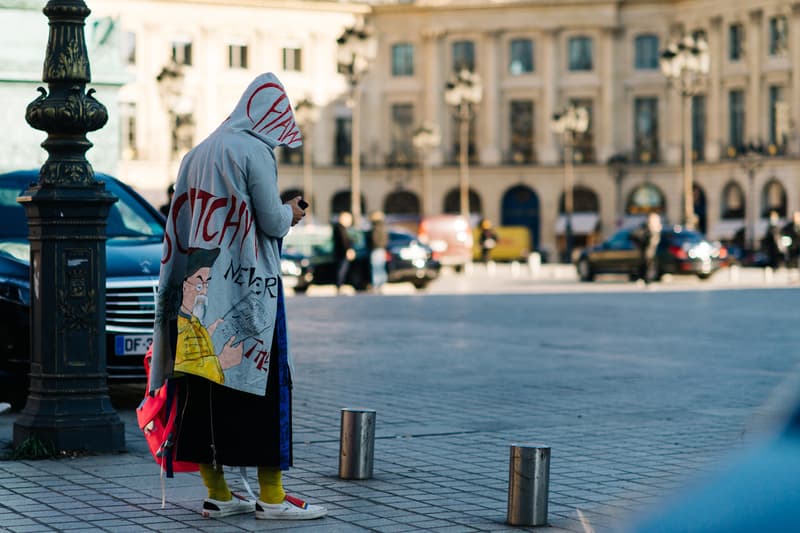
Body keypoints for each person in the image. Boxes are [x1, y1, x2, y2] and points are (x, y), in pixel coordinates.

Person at [149, 72, 326, 521]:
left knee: (204, 386)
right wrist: (293, 211)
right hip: (248, 288)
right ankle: (271, 496)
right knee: (264, 386)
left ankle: (219, 494)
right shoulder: (255, 150)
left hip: (197, 291)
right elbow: (270, 221)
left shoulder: (197, 151)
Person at [631, 212, 662, 284]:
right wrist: (642, 244)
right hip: (647, 250)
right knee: (645, 265)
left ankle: (647, 279)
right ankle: (645, 279)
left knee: (650, 265)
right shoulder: (645, 228)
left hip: (652, 250)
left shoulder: (656, 229)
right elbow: (635, 236)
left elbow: (656, 240)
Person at [331, 211, 355, 293]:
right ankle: (339, 285)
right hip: (342, 252)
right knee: (341, 269)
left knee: (341, 269)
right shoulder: (340, 228)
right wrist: (348, 250)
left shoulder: (338, 227)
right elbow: (344, 240)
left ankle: (340, 285)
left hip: (340, 252)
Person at [366, 210, 388, 291]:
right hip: (381, 249)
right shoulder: (383, 226)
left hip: (376, 249)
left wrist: (373, 245)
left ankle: (377, 285)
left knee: (376, 267)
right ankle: (381, 284)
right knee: (380, 267)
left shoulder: (376, 226)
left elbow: (375, 238)